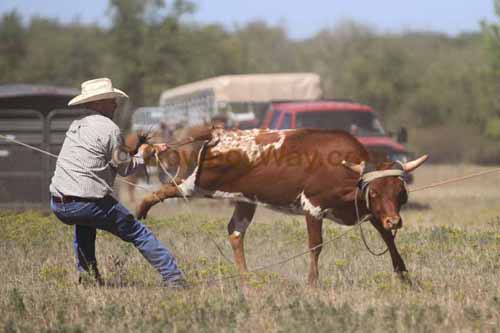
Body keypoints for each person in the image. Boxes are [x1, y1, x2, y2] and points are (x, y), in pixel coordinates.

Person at [50, 78, 186, 288]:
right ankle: (174, 278)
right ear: (97, 103)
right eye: (110, 100)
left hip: (59, 204)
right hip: (87, 203)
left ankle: (87, 279)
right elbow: (125, 168)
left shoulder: (76, 125)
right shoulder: (110, 129)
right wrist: (145, 153)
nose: (115, 104)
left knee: (84, 227)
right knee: (138, 232)